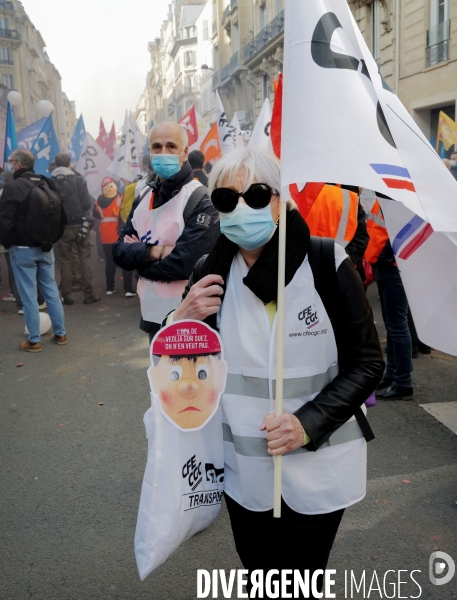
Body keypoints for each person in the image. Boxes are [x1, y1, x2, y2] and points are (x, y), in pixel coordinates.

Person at [166, 147, 384, 596]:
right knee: (261, 579)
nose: (242, 208)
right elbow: (180, 375)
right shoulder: (209, 273)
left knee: (303, 582)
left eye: (257, 194)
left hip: (320, 461)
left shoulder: (327, 262)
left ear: (281, 203)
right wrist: (179, 321)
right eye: (227, 199)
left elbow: (368, 363)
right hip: (242, 467)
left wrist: (307, 423)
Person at [112, 121, 219, 341]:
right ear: (150, 152)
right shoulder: (143, 196)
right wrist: (155, 252)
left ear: (184, 152)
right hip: (152, 314)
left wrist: (139, 262)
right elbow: (119, 252)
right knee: (157, 374)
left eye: (171, 146)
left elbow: (185, 265)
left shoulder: (201, 200)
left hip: (191, 319)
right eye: (157, 147)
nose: (163, 152)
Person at [0, 149, 67, 352]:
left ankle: (34, 340)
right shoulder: (47, 182)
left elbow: (5, 220)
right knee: (51, 291)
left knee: (28, 295)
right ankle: (60, 333)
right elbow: (61, 215)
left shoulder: (12, 187)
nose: (10, 165)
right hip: (46, 246)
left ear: (19, 164)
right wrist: (51, 240)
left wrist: (6, 243)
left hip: (22, 248)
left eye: (11, 162)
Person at [364, 192, 414, 400]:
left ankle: (402, 381)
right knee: (393, 324)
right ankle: (394, 375)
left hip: (392, 266)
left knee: (396, 325)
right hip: (386, 264)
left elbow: (403, 231)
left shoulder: (397, 199)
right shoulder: (390, 197)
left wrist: (385, 255)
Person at [290, 182, 369, 277]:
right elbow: (361, 238)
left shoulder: (291, 193)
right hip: (341, 272)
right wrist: (344, 261)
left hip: (301, 271)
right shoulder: (349, 198)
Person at [52, 153, 100, 306]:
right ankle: (88, 294)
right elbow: (86, 204)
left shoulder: (50, 182)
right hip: (80, 224)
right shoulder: (78, 179)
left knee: (65, 260)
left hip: (61, 226)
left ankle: (66, 296)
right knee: (84, 257)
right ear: (69, 163)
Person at [93, 177, 135, 297]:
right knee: (125, 261)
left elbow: (96, 215)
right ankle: (127, 289)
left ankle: (109, 288)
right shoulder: (121, 198)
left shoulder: (98, 201)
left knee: (110, 262)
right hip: (120, 233)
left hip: (106, 235)